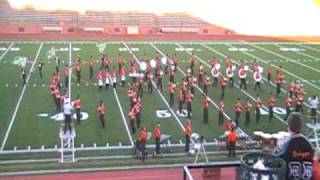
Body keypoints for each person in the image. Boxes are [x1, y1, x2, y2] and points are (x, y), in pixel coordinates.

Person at [273, 112, 314, 180]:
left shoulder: (286, 145)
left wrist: (277, 145)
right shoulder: (309, 145)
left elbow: (274, 160)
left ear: (288, 126)